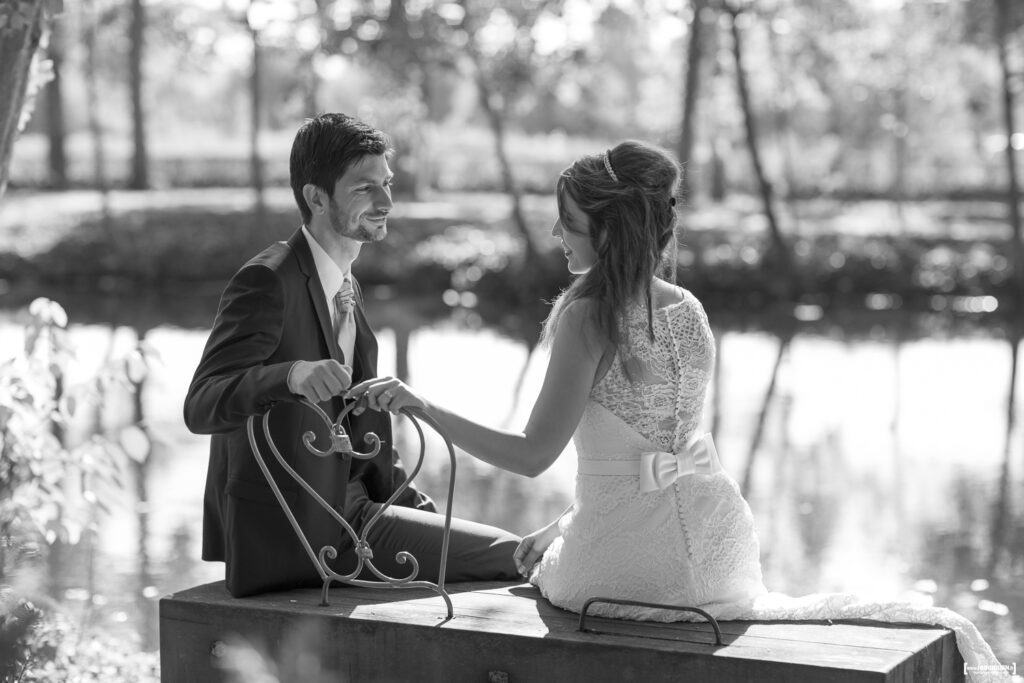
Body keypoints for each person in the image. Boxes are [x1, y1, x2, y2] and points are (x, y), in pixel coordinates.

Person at [348, 140, 1008, 681]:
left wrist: (419, 402)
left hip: (628, 572)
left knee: (546, 580)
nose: (555, 234)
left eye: (570, 223)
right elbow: (649, 452)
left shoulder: (586, 316)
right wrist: (564, 520)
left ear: (609, 231)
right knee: (549, 547)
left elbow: (530, 455)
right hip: (720, 557)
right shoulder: (689, 310)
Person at [183, 112, 520, 599]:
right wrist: (290, 375)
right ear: (316, 198)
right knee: (508, 557)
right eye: (365, 188)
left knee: (506, 551)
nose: (387, 201)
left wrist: (418, 514)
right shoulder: (267, 280)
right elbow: (201, 405)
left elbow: (365, 429)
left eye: (387, 183)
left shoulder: (346, 285)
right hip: (299, 532)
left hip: (358, 516)